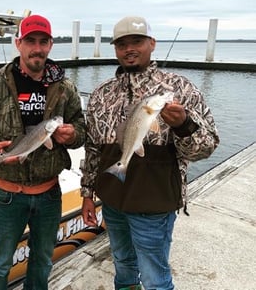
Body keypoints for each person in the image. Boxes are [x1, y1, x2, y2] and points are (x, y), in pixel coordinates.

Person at [81, 16, 219, 290]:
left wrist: (183, 125)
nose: (129, 48)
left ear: (152, 44)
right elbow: (92, 149)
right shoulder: (101, 94)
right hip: (112, 200)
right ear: (116, 49)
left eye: (137, 41)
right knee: (123, 265)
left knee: (155, 276)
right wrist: (88, 193)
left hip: (154, 204)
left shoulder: (180, 89)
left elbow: (206, 146)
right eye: (122, 44)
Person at [0, 14, 86, 290]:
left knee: (43, 260)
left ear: (51, 45)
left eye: (43, 42)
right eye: (30, 41)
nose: (37, 48)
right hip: (7, 196)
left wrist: (72, 134)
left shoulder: (65, 88)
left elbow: (80, 127)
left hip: (49, 194)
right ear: (18, 43)